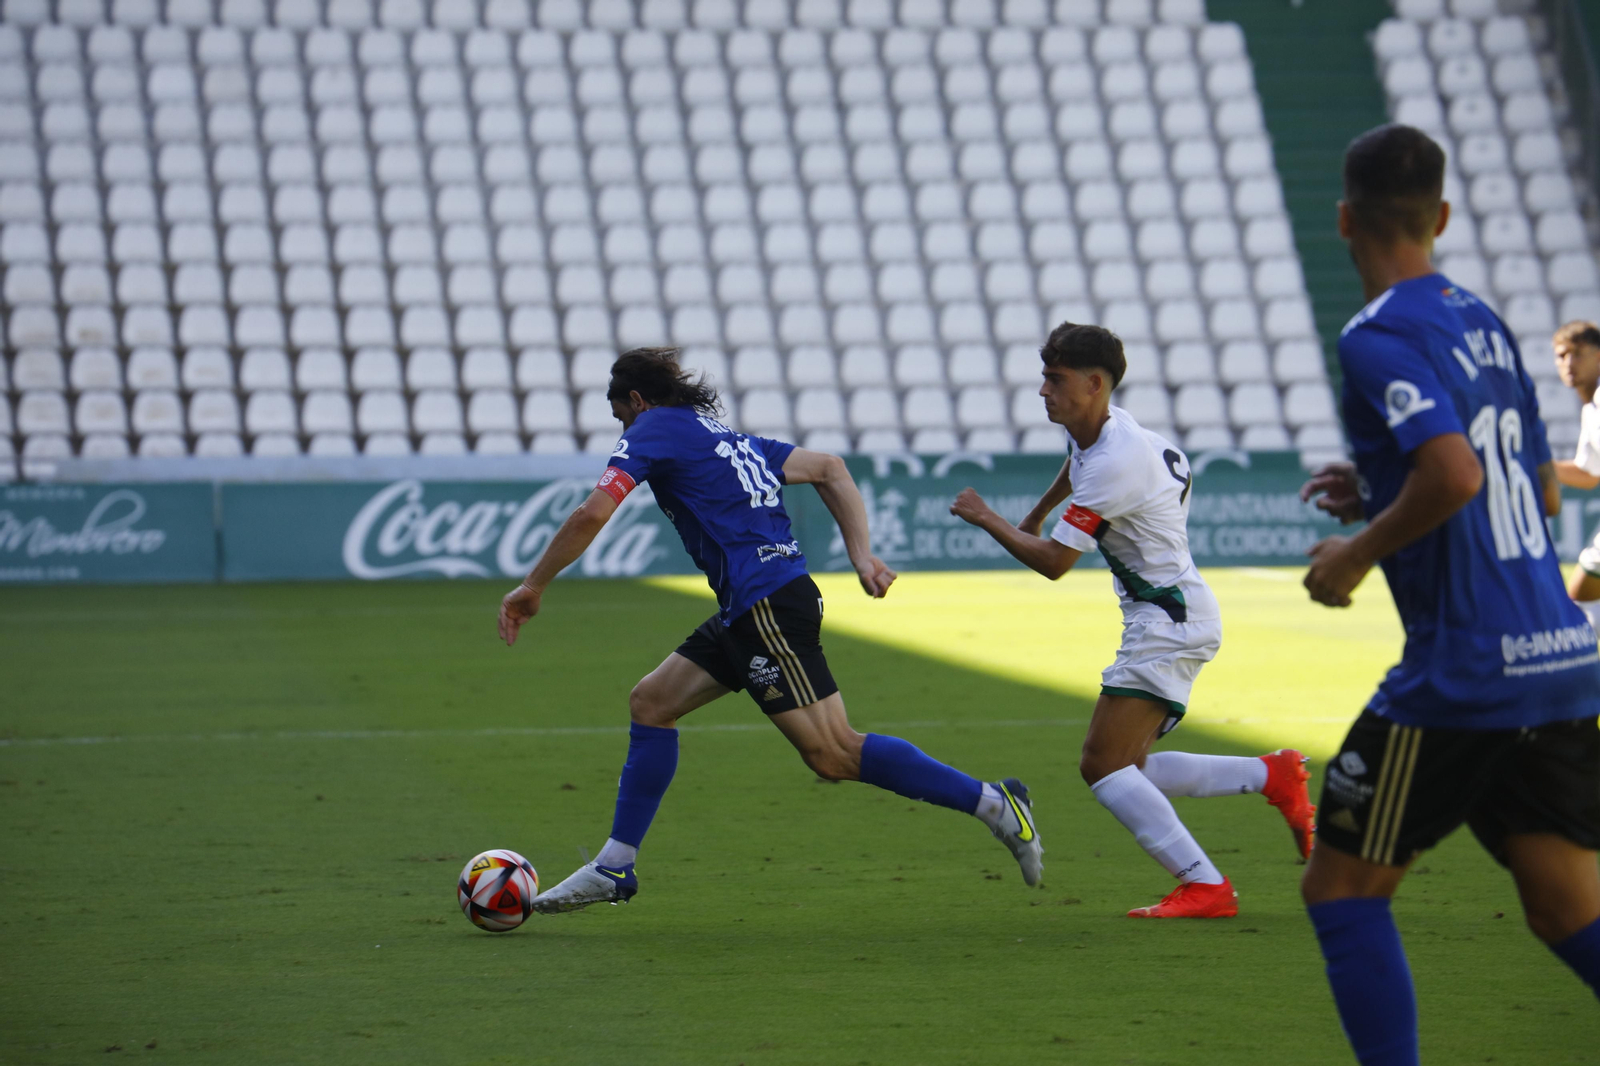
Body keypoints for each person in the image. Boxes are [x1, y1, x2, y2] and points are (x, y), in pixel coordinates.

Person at [498, 348, 1043, 912]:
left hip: (767, 608)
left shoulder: (654, 427)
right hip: (754, 604)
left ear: (637, 401)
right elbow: (829, 467)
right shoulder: (719, 436)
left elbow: (593, 511)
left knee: (834, 753)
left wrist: (532, 585)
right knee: (652, 701)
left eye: (622, 417)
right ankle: (615, 865)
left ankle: (995, 804)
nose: (624, 429)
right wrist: (862, 556)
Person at [1298, 124, 1600, 1066]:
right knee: (1564, 908)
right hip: (1560, 657)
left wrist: (1354, 552)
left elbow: (1460, 476)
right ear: (1443, 216)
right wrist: (1384, 482)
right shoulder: (1483, 320)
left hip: (1466, 670)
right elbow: (1536, 486)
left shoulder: (1375, 335)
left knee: (1342, 892)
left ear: (1344, 218)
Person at [948, 321, 1317, 919]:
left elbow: (1055, 565)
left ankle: (1206, 886)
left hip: (1167, 621)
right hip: (1172, 612)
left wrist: (989, 519)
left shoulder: (1117, 461)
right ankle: (1272, 774)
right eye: (1044, 376)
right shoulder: (1101, 432)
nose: (1043, 390)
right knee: (1132, 766)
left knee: (1102, 764)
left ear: (1095, 384)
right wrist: (1036, 513)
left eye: (1055, 379)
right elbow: (1076, 467)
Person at [1549, 320, 1600, 632]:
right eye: (1562, 355)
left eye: (1578, 354)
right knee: (1578, 603)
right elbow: (1588, 473)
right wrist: (1535, 462)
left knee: (1575, 612)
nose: (1569, 363)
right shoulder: (1591, 410)